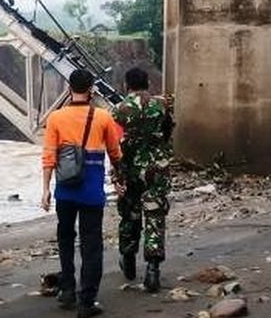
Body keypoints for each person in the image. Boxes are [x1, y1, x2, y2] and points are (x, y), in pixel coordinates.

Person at [41, 68, 123, 318]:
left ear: (69, 89)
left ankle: (67, 291)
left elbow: (49, 156)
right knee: (91, 245)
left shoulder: (55, 118)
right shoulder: (103, 117)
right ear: (92, 91)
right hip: (91, 193)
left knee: (65, 239)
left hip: (65, 191)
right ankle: (86, 302)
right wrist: (118, 180)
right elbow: (115, 153)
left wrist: (45, 190)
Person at [113, 67, 174, 293]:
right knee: (155, 215)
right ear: (147, 83)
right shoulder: (162, 106)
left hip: (129, 170)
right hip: (156, 168)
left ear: (126, 85)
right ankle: (152, 270)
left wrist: (116, 175)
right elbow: (167, 133)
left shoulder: (118, 110)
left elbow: (114, 145)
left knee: (130, 214)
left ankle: (128, 261)